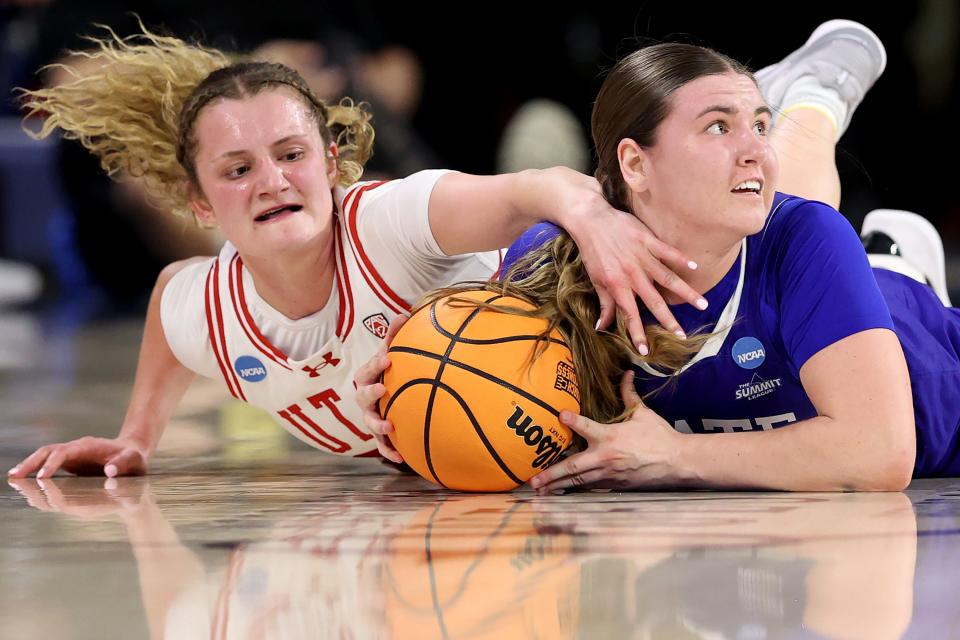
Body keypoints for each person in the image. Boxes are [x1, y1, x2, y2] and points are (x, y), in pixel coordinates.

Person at [6, 26, 706, 479]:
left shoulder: (388, 220)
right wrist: (136, 438)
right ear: (198, 201)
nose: (273, 181)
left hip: (596, 329)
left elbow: (534, 189)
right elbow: (168, 299)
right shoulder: (212, 311)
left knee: (749, 223)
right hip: (485, 451)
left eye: (290, 154)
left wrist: (595, 217)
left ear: (332, 163)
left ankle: (802, 103)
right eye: (237, 169)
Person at [358, 20, 960, 491]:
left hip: (923, 364)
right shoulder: (546, 261)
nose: (755, 148)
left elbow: (880, 454)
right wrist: (414, 420)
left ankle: (821, 113)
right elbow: (493, 415)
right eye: (719, 126)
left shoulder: (806, 239)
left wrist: (678, 456)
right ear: (634, 163)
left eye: (757, 123)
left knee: (796, 215)